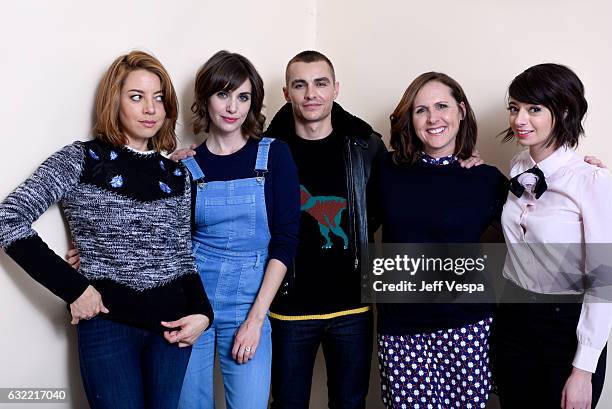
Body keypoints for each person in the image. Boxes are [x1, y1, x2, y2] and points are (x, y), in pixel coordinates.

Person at [0, 50, 213, 409]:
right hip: (108, 326)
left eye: (158, 98)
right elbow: (9, 218)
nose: (150, 109)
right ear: (113, 101)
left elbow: (182, 255)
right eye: (136, 97)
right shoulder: (82, 160)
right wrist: (74, 289)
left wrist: (204, 314)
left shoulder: (178, 174)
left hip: (172, 330)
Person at [370, 72, 508, 408]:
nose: (433, 118)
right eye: (421, 110)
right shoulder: (387, 170)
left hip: (468, 329)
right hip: (401, 330)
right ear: (410, 118)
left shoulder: (485, 179)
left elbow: (538, 221)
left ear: (461, 110)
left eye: (442, 106)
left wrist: (581, 176)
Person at [260, 50, 386, 409]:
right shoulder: (266, 152)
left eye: (320, 83)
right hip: (288, 307)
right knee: (287, 402)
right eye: (300, 85)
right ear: (287, 93)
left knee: (350, 402)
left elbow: (376, 209)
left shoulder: (366, 146)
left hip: (352, 307)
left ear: (335, 89)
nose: (311, 93)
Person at [176, 51, 300, 409]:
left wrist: (256, 320)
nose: (233, 107)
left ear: (253, 102)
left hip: (249, 306)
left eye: (243, 96)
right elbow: (170, 241)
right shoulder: (187, 165)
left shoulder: (275, 155)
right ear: (205, 99)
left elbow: (286, 240)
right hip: (193, 303)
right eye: (223, 94)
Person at [493, 63, 612, 409]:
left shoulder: (591, 181)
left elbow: (604, 282)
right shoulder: (517, 167)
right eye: (514, 108)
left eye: (534, 109)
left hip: (565, 326)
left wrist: (583, 371)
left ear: (562, 111)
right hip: (513, 318)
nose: (519, 120)